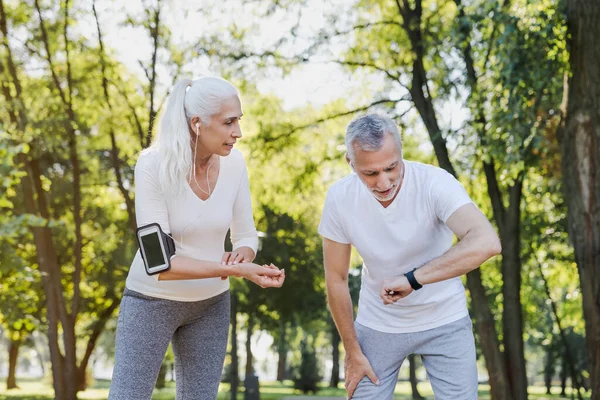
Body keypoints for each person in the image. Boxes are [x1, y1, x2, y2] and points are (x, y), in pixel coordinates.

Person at [108, 76, 285, 400]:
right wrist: (234, 271)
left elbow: (245, 234)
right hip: (151, 302)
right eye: (229, 122)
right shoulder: (152, 165)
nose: (238, 132)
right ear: (197, 124)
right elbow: (160, 265)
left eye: (239, 121)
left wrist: (243, 256)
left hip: (211, 304)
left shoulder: (235, 163)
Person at [318, 114, 501, 399]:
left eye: (391, 167)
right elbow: (336, 277)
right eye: (370, 173)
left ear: (401, 152)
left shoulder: (435, 183)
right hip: (378, 324)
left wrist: (413, 279)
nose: (384, 181)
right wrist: (352, 350)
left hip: (445, 319)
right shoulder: (340, 198)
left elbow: (486, 241)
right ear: (350, 163)